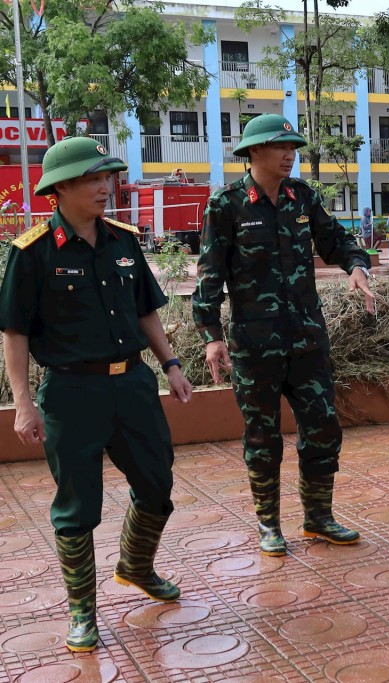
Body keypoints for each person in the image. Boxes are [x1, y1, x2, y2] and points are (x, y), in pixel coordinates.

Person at [0, 137, 193, 652]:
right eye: (91, 178)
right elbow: (15, 334)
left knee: (156, 483)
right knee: (77, 504)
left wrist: (171, 365)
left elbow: (147, 310)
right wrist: (23, 401)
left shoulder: (124, 241)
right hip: (71, 390)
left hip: (132, 383)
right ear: (60, 188)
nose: (104, 187)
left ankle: (136, 566)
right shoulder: (32, 252)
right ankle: (83, 611)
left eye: (106, 177)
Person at [192, 114, 376, 558]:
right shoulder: (227, 204)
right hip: (256, 346)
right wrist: (212, 335)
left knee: (324, 428)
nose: (290, 154)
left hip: (308, 340)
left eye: (293, 147)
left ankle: (318, 517)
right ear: (254, 152)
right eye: (281, 147)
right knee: (262, 436)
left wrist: (356, 266)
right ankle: (268, 524)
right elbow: (210, 274)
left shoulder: (303, 197)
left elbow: (337, 239)